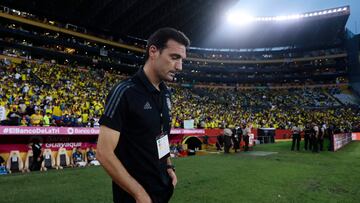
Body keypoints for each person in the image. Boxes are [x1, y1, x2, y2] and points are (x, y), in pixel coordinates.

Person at [96, 28, 190, 203]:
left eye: (182, 60)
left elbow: (160, 134)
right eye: (174, 57)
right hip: (134, 198)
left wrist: (168, 164)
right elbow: (103, 152)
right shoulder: (125, 92)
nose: (179, 67)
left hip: (162, 191)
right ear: (153, 51)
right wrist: (139, 194)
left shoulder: (165, 93)